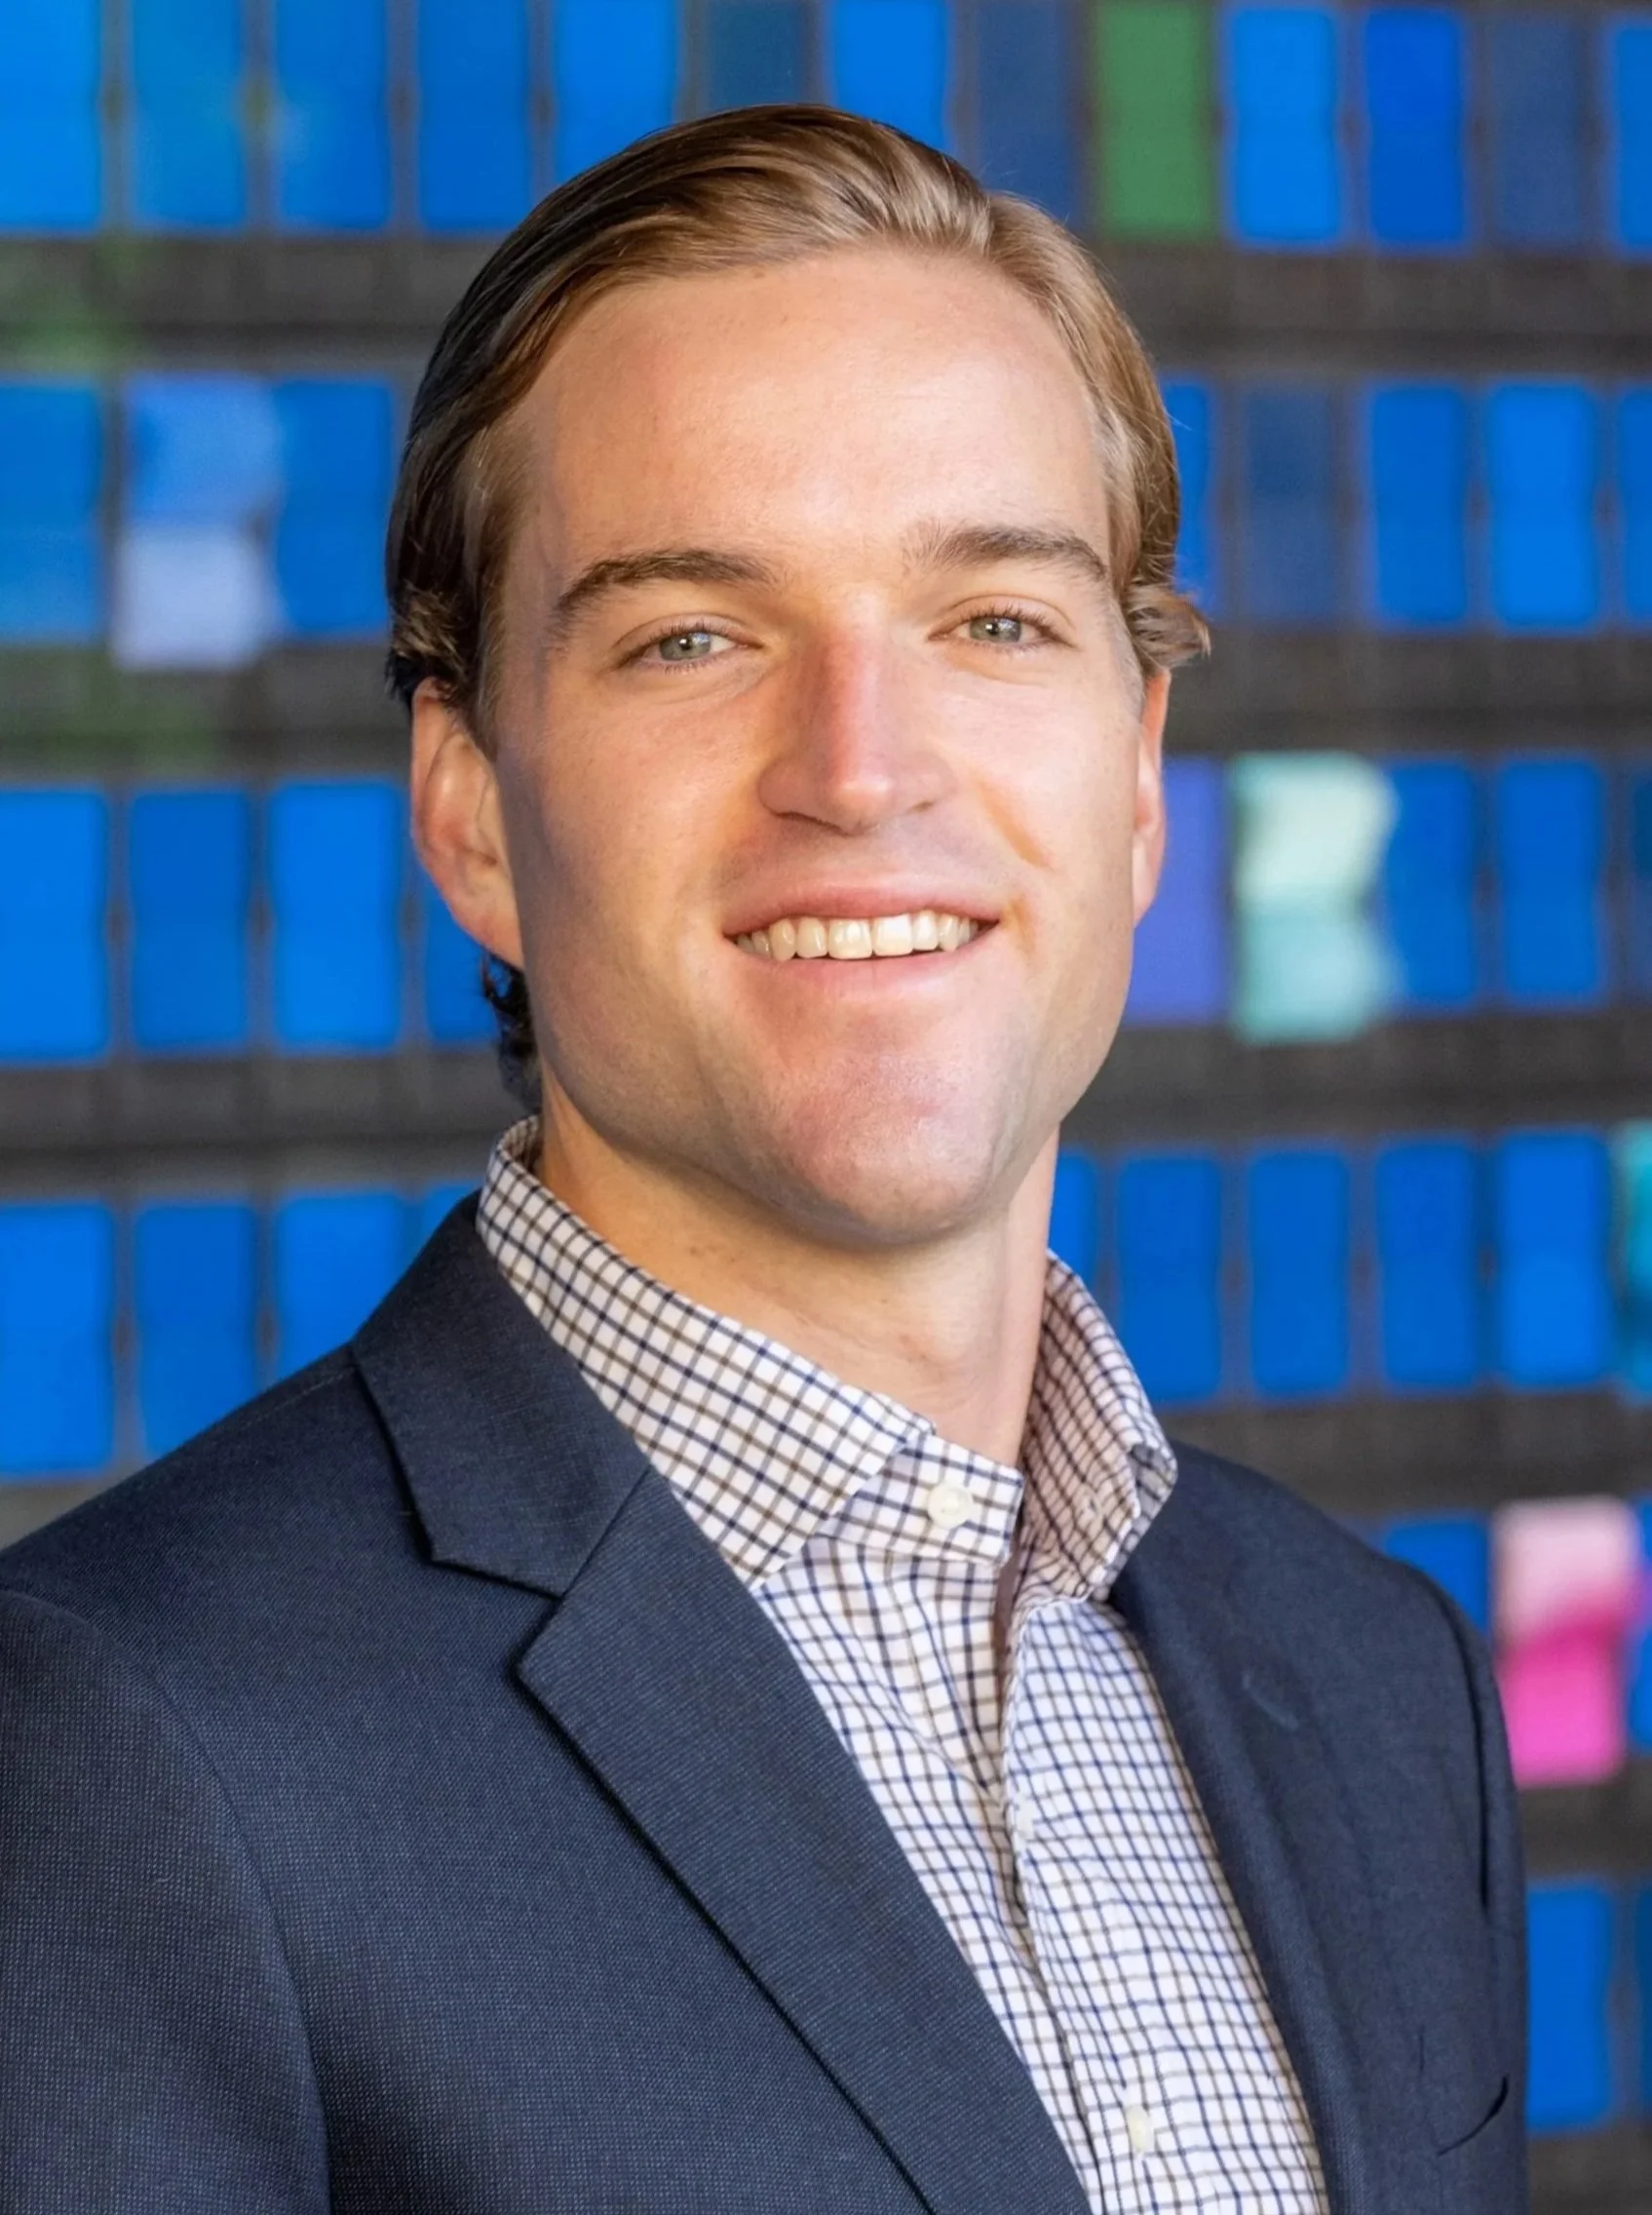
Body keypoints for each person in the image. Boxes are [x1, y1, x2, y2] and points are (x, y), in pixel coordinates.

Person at [0, 107, 1524, 2214]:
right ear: (466, 810)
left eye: (993, 620)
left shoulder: (1373, 1677)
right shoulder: (121, 1751)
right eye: (691, 637)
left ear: (1141, 770)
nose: (862, 767)